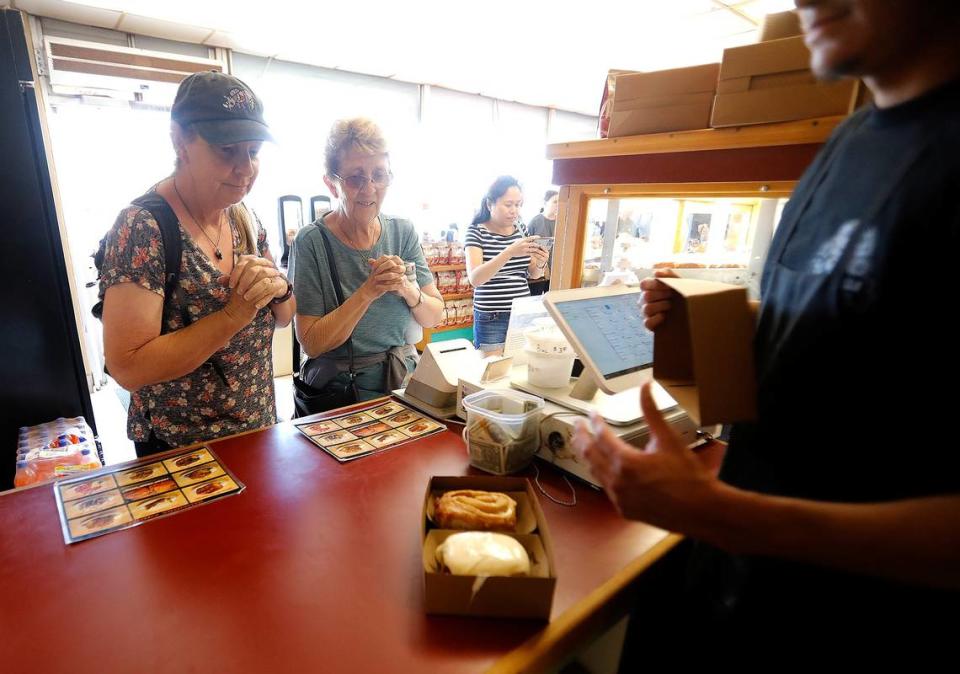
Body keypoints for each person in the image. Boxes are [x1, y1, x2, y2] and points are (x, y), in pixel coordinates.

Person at [575, 0, 960, 649]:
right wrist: (711, 322)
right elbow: (865, 335)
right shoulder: (851, 139)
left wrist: (723, 513)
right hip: (728, 589)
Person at [99, 71, 295, 456]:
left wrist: (279, 287)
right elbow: (128, 367)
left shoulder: (245, 219)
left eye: (253, 151)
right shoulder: (144, 227)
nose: (246, 169)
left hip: (256, 432)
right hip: (182, 455)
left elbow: (286, 315)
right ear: (180, 141)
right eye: (227, 150)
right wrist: (234, 314)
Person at [289, 118, 443, 402]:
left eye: (379, 175)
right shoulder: (311, 242)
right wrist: (368, 291)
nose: (369, 188)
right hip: (338, 390)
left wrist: (408, 290)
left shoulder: (402, 231)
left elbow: (434, 315)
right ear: (332, 185)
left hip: (402, 381)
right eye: (356, 178)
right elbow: (311, 342)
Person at [465, 176, 549, 354]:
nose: (514, 211)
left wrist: (541, 262)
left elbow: (533, 274)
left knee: (517, 369)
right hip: (491, 316)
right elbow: (475, 278)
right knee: (492, 374)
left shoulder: (521, 229)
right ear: (490, 204)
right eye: (508, 204)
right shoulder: (476, 231)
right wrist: (509, 252)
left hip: (522, 314)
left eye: (518, 205)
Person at [526, 190, 558, 296]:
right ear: (545, 203)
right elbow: (527, 247)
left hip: (556, 272)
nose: (558, 204)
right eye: (555, 201)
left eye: (560, 201)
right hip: (537, 272)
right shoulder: (535, 222)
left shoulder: (563, 222)